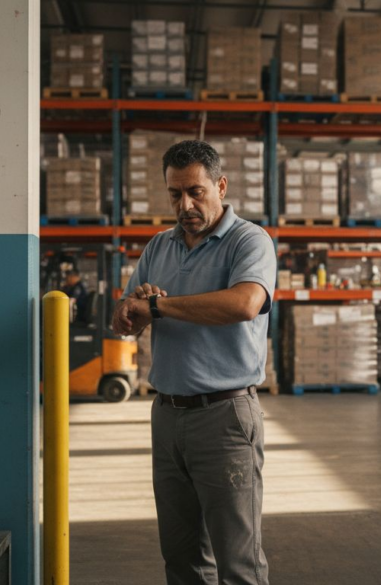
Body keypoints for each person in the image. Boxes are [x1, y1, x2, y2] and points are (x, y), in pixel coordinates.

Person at [111, 140, 275, 585]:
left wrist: (162, 308)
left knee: (238, 563)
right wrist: (133, 306)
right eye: (175, 194)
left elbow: (244, 303)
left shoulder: (250, 241)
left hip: (223, 418)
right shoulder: (159, 247)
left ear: (220, 185)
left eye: (195, 192)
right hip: (167, 417)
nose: (185, 205)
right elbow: (125, 318)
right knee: (182, 560)